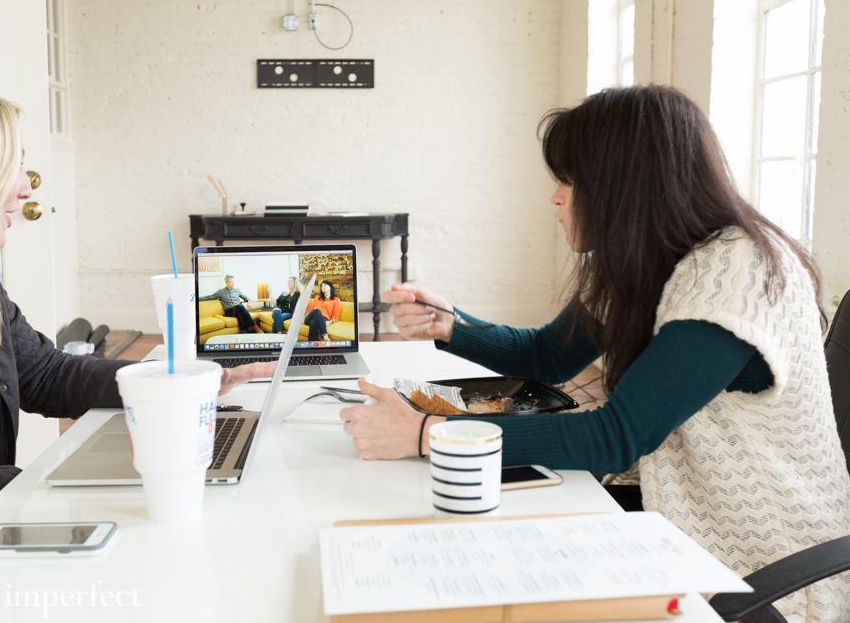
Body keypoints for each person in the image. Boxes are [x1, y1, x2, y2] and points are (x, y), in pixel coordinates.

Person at [339, 85, 850, 620]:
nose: (556, 198)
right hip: (676, 529)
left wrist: (426, 435)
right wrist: (451, 326)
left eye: (570, 181)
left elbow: (618, 437)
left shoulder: (736, 273)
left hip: (760, 572)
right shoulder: (650, 261)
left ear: (625, 186)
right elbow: (546, 356)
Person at [0, 81, 272, 618]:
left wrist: (169, 382)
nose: (26, 188)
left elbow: (43, 372)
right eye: (13, 165)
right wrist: (11, 487)